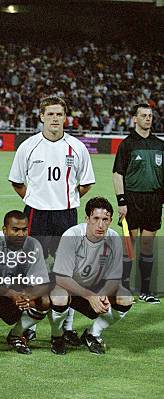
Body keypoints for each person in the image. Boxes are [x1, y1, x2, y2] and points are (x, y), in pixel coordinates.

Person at [8, 95, 95, 343]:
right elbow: (17, 181)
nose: (55, 118)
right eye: (50, 114)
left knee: (67, 270)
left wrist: (64, 198)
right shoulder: (29, 146)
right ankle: (31, 323)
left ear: (64, 117)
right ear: (41, 116)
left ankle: (66, 325)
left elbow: (86, 183)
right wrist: (36, 198)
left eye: (59, 114)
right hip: (36, 213)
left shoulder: (77, 147)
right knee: (33, 269)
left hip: (66, 214)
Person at [49, 197, 133, 355]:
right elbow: (61, 278)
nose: (101, 225)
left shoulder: (114, 238)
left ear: (110, 220)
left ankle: (92, 334)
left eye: (105, 219)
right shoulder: (72, 235)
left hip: (95, 288)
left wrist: (103, 293)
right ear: (87, 219)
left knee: (125, 297)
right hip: (71, 288)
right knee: (59, 296)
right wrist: (90, 297)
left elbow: (115, 277)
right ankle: (57, 335)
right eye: (96, 218)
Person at [0, 210, 50, 356]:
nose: (21, 234)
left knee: (44, 301)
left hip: (19, 298)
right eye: (15, 230)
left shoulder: (33, 244)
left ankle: (16, 334)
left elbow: (43, 283)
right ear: (4, 229)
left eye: (24, 229)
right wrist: (10, 293)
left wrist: (29, 295)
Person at [113, 103, 163, 303]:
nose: (147, 118)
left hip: (153, 200)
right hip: (132, 199)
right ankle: (123, 288)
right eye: (143, 115)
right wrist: (121, 201)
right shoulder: (127, 144)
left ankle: (146, 290)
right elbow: (117, 174)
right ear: (135, 119)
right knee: (129, 247)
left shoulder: (160, 144)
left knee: (148, 247)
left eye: (150, 115)